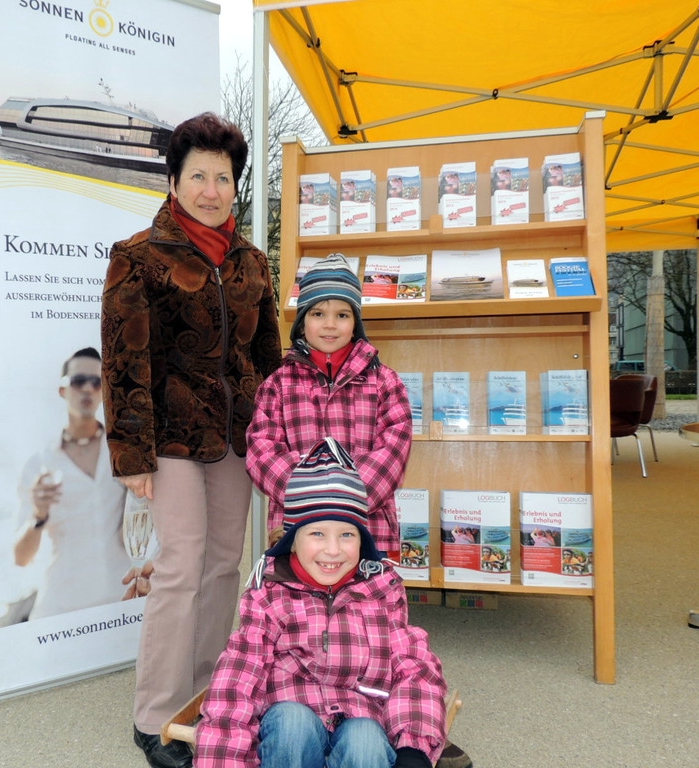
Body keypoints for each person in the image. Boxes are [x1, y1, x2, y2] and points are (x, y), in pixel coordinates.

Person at [101, 112, 283, 768]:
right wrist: (132, 454)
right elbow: (123, 362)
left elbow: (269, 361)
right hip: (169, 438)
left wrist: (275, 439)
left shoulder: (252, 264)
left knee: (223, 563)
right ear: (174, 181)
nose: (211, 189)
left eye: (223, 178)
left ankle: (206, 692)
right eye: (198, 175)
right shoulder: (138, 257)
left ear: (236, 185)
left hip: (236, 439)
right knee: (180, 565)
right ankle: (154, 715)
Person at [195, 437, 471, 768]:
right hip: (289, 717)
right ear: (291, 541)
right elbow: (239, 675)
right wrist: (223, 758)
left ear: (362, 541)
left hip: (361, 715)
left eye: (347, 534)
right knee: (292, 725)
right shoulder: (270, 594)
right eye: (317, 534)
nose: (333, 550)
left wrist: (414, 748)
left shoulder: (381, 591)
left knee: (365, 742)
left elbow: (414, 668)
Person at [246, 252, 413, 557]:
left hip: (369, 533)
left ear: (356, 322)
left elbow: (392, 455)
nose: (330, 325)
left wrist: (343, 500)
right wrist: (309, 499)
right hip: (294, 534)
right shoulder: (277, 384)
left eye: (342, 315)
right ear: (302, 322)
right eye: (318, 313)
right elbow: (262, 453)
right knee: (297, 592)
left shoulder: (386, 383)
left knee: (368, 591)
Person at [13, 347, 131, 619]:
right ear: (62, 390)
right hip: (60, 608)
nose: (88, 389)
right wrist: (38, 515)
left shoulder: (124, 452)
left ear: (104, 391)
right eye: (79, 381)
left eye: (97, 382)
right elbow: (21, 558)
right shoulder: (39, 464)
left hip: (122, 602)